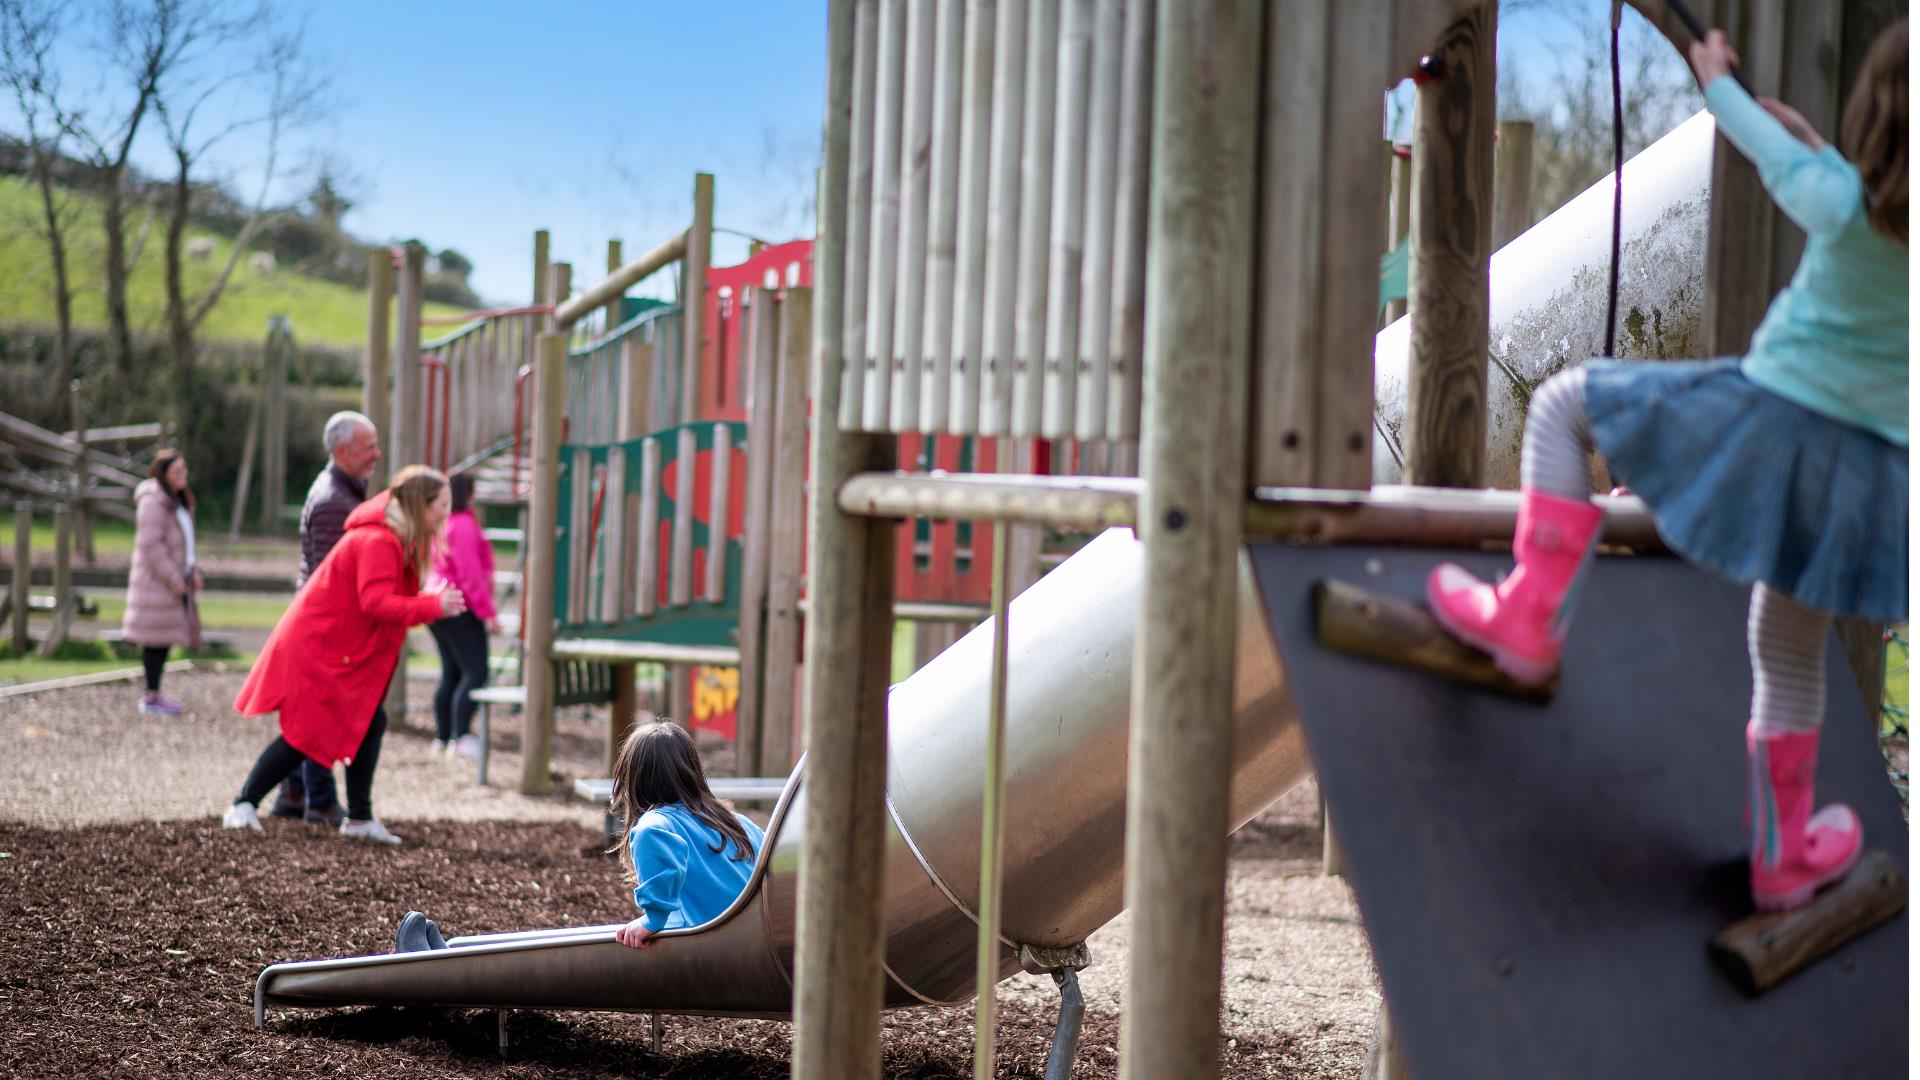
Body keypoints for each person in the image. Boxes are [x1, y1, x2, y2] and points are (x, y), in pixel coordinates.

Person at [1426, 23, 1906, 914]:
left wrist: (1716, 77)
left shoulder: (1839, 198)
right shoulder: (1851, 196)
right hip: (1863, 479)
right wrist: (1815, 147)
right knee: (1787, 641)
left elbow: (1760, 145)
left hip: (1771, 420)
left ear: (1876, 115)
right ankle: (1782, 852)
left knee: (1565, 406)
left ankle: (1531, 616)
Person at [222, 466, 467, 844]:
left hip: (332, 645)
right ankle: (243, 803)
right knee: (306, 733)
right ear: (421, 505)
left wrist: (428, 603)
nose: (446, 514)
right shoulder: (379, 541)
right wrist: (431, 605)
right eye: (442, 505)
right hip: (318, 646)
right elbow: (375, 603)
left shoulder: (394, 539)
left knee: (370, 722)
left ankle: (359, 818)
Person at [271, 411, 383, 825]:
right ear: (342, 451)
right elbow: (332, 576)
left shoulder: (342, 492)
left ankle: (295, 792)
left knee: (315, 707)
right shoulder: (336, 502)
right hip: (324, 627)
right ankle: (317, 798)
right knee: (322, 710)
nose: (377, 454)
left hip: (318, 622)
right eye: (368, 447)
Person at [609, 721, 765, 949]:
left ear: (633, 781)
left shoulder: (657, 822)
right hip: (762, 934)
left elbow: (650, 832)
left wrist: (653, 919)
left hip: (724, 948)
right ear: (693, 771)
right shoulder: (738, 823)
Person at [123, 451, 203, 715]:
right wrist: (172, 576)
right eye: (177, 469)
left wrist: (193, 569)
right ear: (163, 472)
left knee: (163, 638)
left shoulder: (178, 501)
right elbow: (150, 545)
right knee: (154, 639)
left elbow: (185, 542)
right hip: (157, 584)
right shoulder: (153, 502)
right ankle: (151, 696)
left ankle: (155, 693)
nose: (183, 473)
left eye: (185, 468)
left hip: (175, 581)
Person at [426, 470, 498, 759]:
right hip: (459, 605)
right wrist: (488, 613)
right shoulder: (465, 525)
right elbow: (471, 575)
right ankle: (461, 736)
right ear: (467, 493)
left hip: (438, 603)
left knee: (452, 672)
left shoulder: (444, 524)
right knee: (475, 671)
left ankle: (444, 737)